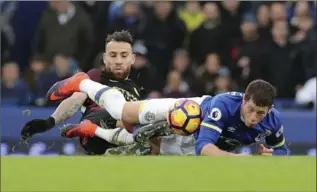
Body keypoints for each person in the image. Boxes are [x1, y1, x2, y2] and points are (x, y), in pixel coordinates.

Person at [44, 68, 290, 156]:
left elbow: (282, 152)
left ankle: (93, 130)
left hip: (189, 139)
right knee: (123, 112)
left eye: (261, 113)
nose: (254, 117)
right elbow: (205, 147)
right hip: (185, 110)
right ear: (243, 99)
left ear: (270, 110)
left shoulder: (272, 121)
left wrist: (269, 158)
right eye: (251, 109)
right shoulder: (223, 107)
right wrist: (239, 160)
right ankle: (83, 82)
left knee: (148, 149)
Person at [20, 30, 142, 155]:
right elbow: (76, 99)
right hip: (95, 142)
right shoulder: (96, 76)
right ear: (105, 58)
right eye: (113, 55)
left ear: (132, 59)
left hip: (122, 144)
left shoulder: (134, 89)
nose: (118, 61)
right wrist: (50, 121)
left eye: (124, 55)